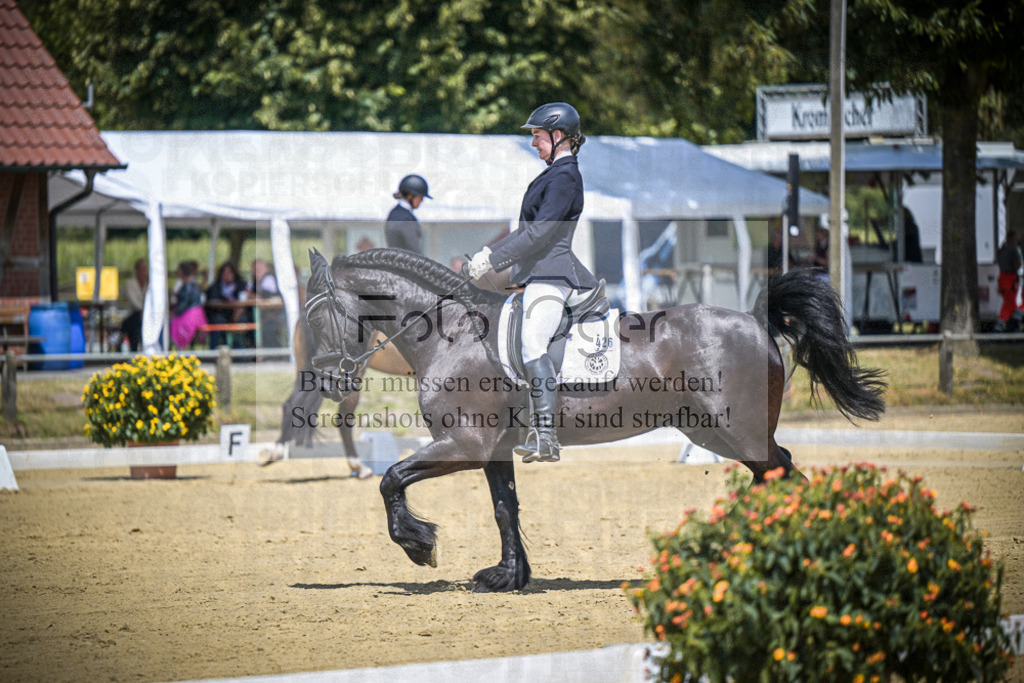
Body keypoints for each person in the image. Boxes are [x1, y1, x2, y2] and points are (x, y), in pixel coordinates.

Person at [466, 102, 598, 464]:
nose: (533, 143)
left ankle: (546, 436)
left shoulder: (565, 175)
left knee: (532, 343)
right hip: (537, 273)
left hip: (552, 274)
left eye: (538, 136)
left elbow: (540, 233)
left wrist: (494, 260)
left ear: (558, 136)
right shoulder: (554, 173)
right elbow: (528, 231)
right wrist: (489, 254)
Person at [204, 260, 248, 348]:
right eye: (224, 272)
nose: (227, 275)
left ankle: (239, 351)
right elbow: (212, 301)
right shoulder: (215, 286)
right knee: (218, 321)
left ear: (234, 274)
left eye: (230, 272)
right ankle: (214, 350)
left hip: (237, 314)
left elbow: (244, 302)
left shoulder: (241, 285)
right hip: (221, 314)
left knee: (242, 320)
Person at [385, 174, 431, 255]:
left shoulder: (394, 213)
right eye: (420, 197)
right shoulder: (406, 219)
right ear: (411, 195)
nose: (422, 200)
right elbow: (413, 248)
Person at [169, 261, 206, 349]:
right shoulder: (194, 285)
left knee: (168, 323)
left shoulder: (187, 287)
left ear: (182, 272)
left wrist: (174, 313)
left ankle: (167, 349)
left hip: (189, 317)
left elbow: (184, 304)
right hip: (199, 316)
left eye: (178, 270)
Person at [248, 258, 285, 347]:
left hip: (275, 313)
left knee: (268, 327)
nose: (257, 270)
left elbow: (265, 296)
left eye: (259, 268)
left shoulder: (269, 279)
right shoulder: (254, 282)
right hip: (262, 314)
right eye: (255, 268)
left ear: (265, 268)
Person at [996, 230, 1023, 332]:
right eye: (1016, 238)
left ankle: (1013, 324)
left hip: (1002, 278)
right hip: (1010, 279)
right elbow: (1017, 265)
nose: (1018, 240)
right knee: (1009, 304)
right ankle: (1000, 324)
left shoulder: (1002, 250)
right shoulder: (1013, 250)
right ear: (1012, 239)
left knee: (1010, 303)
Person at [121, 258, 147, 352]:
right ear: (137, 270)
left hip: (143, 317)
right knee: (136, 323)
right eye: (142, 269)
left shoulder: (147, 284)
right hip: (131, 317)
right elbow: (135, 303)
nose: (144, 272)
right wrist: (144, 311)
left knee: (139, 323)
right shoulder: (130, 284)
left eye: (145, 269)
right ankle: (134, 350)